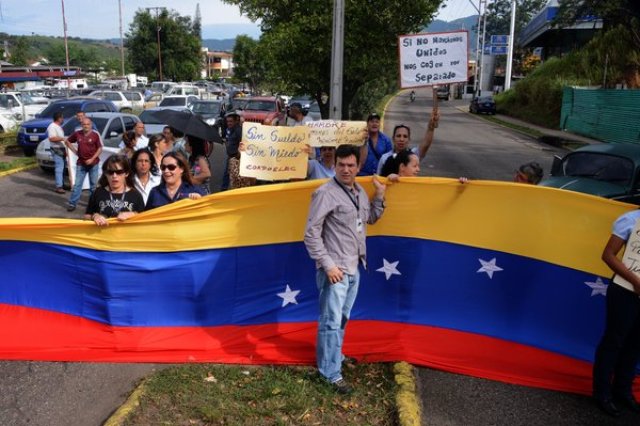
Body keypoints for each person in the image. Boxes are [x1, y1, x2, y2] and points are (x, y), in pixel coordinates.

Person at [303, 144, 387, 394]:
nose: (347, 169)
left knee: (341, 318)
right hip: (335, 269)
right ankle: (330, 373)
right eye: (342, 165)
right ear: (335, 165)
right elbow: (311, 234)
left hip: (354, 265)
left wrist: (380, 196)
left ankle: (334, 357)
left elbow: (369, 218)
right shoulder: (325, 193)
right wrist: (328, 266)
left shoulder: (360, 191)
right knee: (330, 321)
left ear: (358, 167)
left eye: (351, 165)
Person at [592, 210, 640, 417]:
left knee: (636, 343)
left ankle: (622, 391)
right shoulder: (630, 219)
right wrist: (635, 281)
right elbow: (608, 255)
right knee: (615, 340)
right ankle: (602, 393)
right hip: (625, 290)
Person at [84, 155, 145, 226]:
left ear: (126, 173)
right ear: (105, 174)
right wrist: (95, 216)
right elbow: (86, 216)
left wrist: (134, 214)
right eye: (110, 172)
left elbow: (145, 218)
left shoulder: (136, 195)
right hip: (102, 235)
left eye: (119, 172)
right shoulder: (98, 192)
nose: (114, 176)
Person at [376, 109, 440, 175]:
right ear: (393, 139)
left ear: (409, 140)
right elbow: (379, 179)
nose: (401, 139)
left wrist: (431, 127)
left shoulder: (413, 155)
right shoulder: (384, 158)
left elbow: (426, 144)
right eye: (398, 136)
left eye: (405, 136)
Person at [65, 117, 103, 212]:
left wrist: (92, 159)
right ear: (82, 125)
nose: (86, 126)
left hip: (93, 164)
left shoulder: (95, 135)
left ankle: (93, 205)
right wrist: (75, 152)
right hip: (81, 163)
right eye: (84, 124)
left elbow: (100, 149)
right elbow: (67, 141)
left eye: (88, 124)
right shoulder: (77, 134)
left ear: (91, 125)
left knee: (93, 186)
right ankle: (72, 203)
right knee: (77, 185)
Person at [225, 111, 254, 189]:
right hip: (230, 157)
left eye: (231, 121)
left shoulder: (238, 130)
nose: (229, 123)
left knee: (235, 178)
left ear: (236, 121)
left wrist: (238, 155)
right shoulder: (229, 129)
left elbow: (244, 143)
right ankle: (224, 190)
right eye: (227, 121)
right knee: (227, 176)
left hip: (236, 158)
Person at [47, 111, 66, 194]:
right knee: (59, 167)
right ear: (59, 118)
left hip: (61, 149)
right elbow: (52, 138)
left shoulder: (58, 126)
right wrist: (62, 139)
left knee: (63, 168)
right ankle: (59, 186)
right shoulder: (52, 126)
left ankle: (62, 184)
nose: (63, 119)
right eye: (62, 117)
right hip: (56, 149)